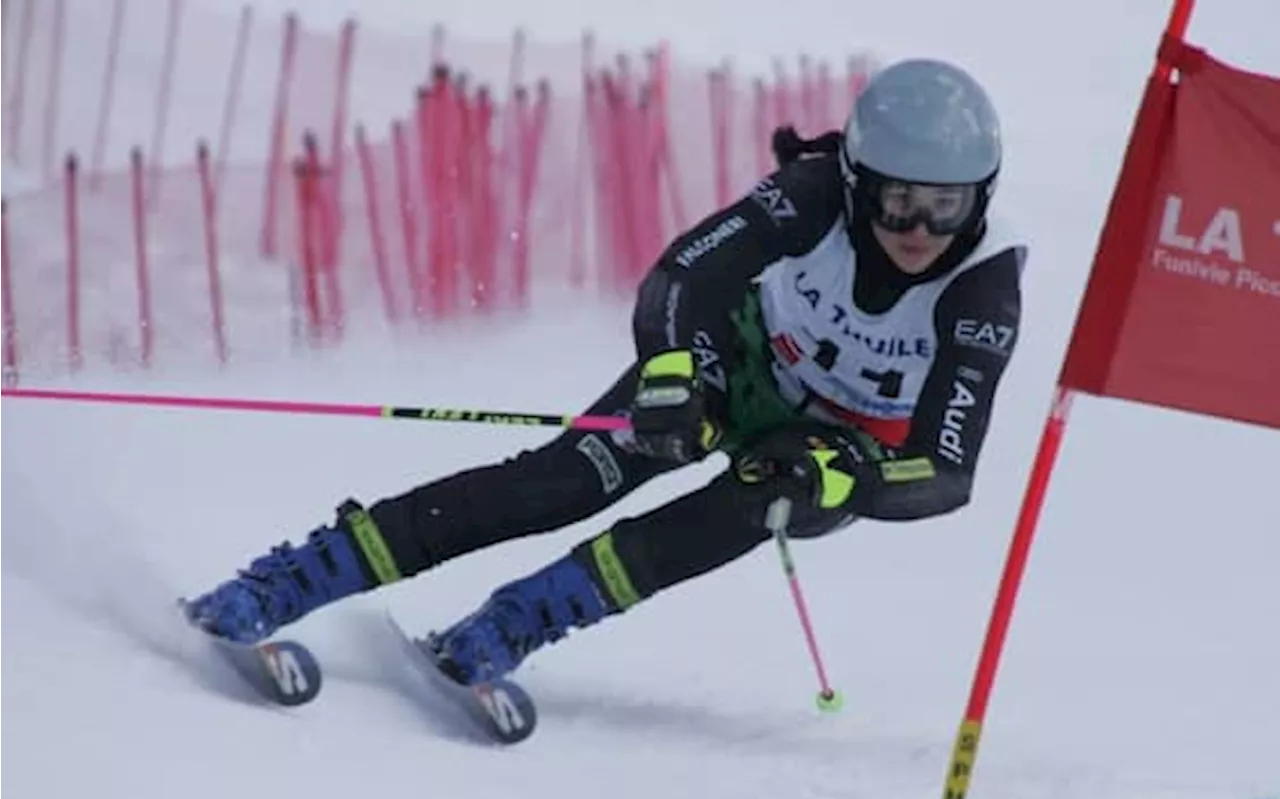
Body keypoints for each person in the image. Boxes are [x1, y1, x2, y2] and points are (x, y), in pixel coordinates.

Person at [185, 57, 1025, 687]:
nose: (918, 226)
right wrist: (678, 375)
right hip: (736, 360)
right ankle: (297, 575)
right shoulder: (810, 196)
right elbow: (685, 277)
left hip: (831, 447)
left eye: (946, 205)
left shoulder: (981, 288)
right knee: (559, 482)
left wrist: (847, 480)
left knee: (738, 504)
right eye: (897, 199)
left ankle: (514, 622)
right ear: (857, 181)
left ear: (978, 200)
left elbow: (947, 471)